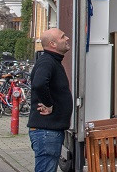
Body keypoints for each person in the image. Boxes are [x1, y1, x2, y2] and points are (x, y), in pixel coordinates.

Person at [29, 28, 73, 172]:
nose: (67, 38)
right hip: (46, 132)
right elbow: (39, 84)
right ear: (53, 44)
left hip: (49, 131)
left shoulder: (52, 61)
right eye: (62, 37)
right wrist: (48, 104)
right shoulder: (47, 62)